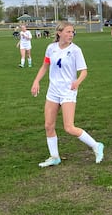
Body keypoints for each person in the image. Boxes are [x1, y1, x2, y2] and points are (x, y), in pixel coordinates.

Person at [30, 21, 104, 167]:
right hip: (53, 91)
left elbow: (84, 71)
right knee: (48, 126)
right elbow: (45, 66)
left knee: (69, 127)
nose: (71, 34)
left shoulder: (75, 50)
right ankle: (54, 157)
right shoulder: (51, 48)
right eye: (68, 32)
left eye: (72, 32)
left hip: (68, 92)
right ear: (59, 33)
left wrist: (77, 82)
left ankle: (96, 145)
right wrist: (36, 81)